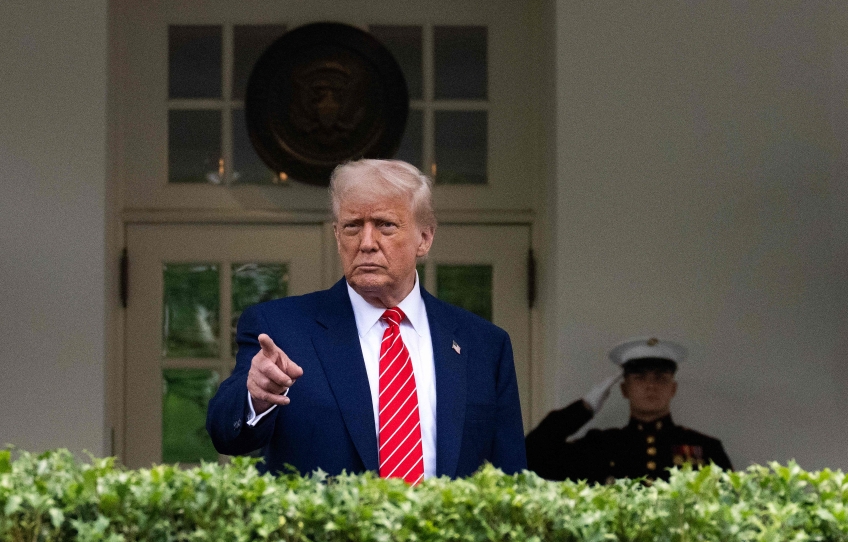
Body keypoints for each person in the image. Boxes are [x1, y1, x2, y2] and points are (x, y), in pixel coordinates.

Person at [206, 159, 526, 482]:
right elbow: (225, 432)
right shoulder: (281, 329)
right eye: (352, 226)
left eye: (386, 225)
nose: (367, 243)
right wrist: (255, 397)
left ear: (425, 238)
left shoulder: (484, 345)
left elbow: (511, 483)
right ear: (336, 234)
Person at [525, 337, 731, 483]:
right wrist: (585, 407)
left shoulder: (706, 449)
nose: (651, 386)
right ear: (624, 389)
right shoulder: (600, 446)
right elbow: (531, 456)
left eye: (660, 378)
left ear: (673, 389)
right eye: (640, 378)